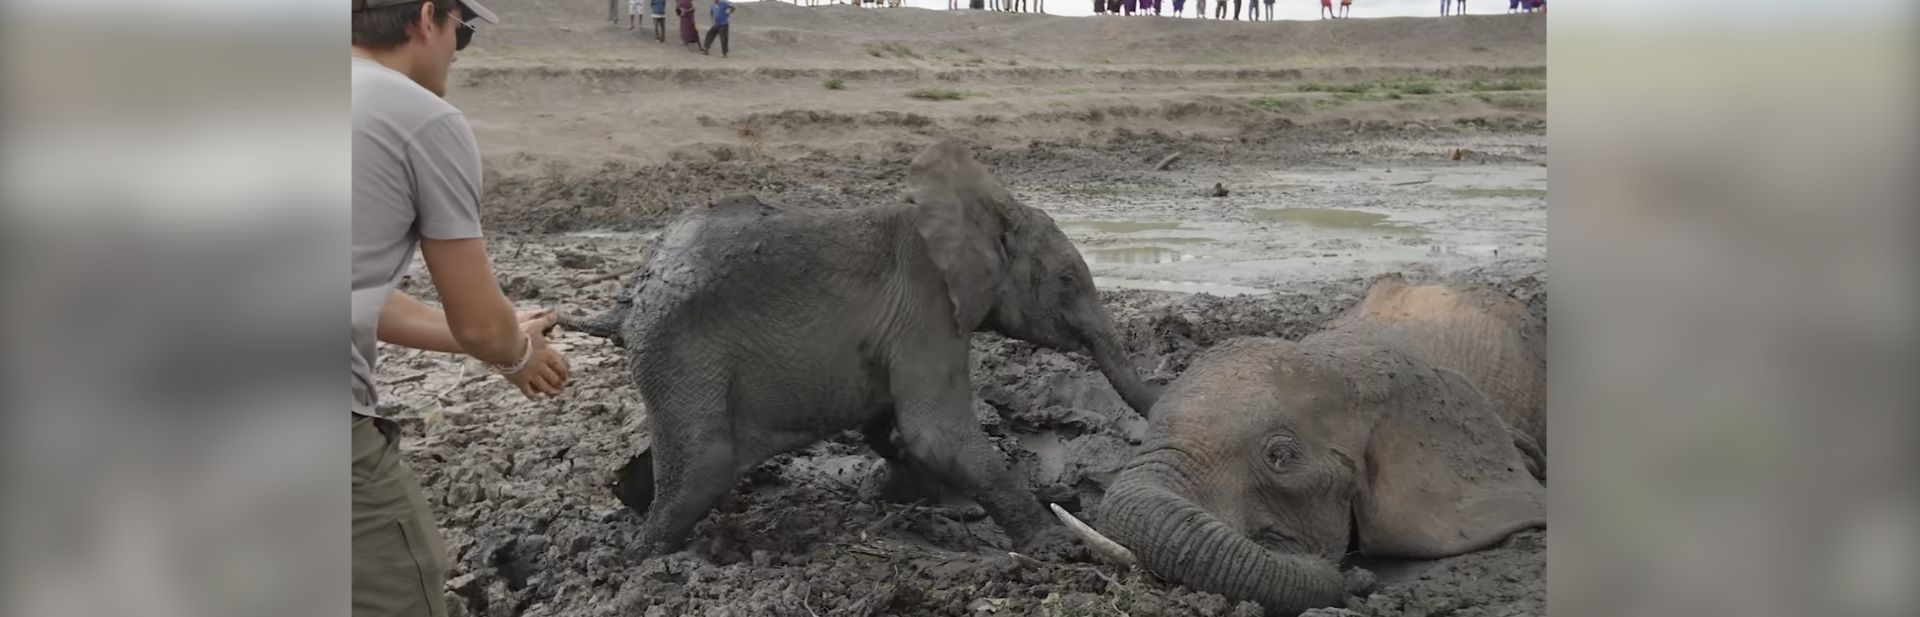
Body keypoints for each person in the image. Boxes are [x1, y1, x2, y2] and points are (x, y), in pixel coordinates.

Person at [351, 1, 571, 616]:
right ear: (426, 19)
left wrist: (495, 338)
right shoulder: (421, 117)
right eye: (462, 31)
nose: (456, 48)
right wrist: (516, 352)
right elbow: (479, 323)